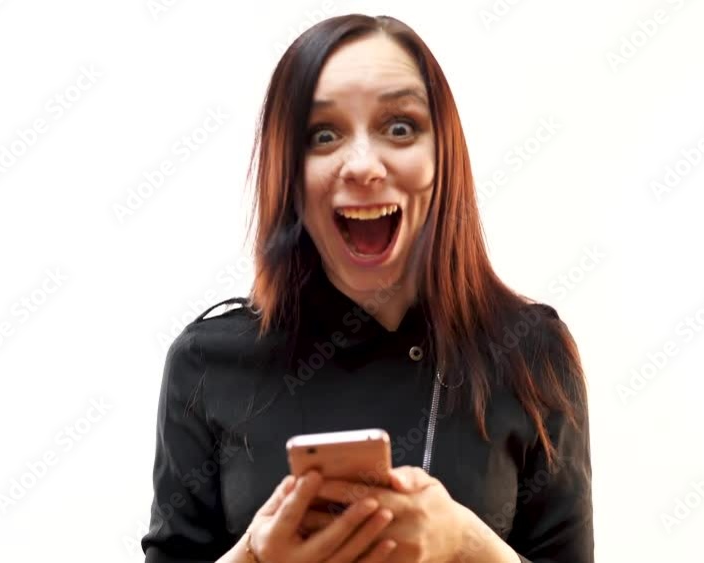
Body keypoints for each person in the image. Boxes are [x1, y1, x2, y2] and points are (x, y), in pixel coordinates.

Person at [141, 13, 593, 563]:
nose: (363, 165)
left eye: (399, 127)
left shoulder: (530, 352)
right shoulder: (206, 362)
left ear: (441, 156)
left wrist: (468, 544)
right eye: (323, 134)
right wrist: (254, 558)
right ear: (287, 171)